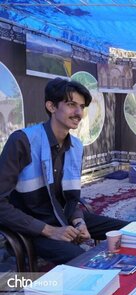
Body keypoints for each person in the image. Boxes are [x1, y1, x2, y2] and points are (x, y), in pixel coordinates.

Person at [0, 78, 128, 265]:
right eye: (71, 105)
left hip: (62, 217)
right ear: (51, 106)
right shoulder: (22, 141)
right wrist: (50, 230)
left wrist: (78, 221)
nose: (78, 113)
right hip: (30, 226)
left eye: (82, 107)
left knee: (130, 231)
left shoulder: (76, 146)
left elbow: (70, 198)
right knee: (86, 260)